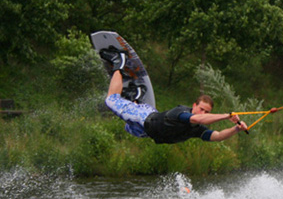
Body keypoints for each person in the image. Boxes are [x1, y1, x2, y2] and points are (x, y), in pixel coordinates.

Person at [100, 48, 248, 144]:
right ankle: (119, 62)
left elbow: (218, 136)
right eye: (202, 109)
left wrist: (236, 129)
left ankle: (136, 96)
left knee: (129, 128)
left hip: (147, 131)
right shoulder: (182, 113)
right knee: (111, 99)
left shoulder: (196, 129)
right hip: (144, 118)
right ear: (194, 106)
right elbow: (196, 118)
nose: (203, 113)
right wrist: (226, 116)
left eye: (207, 112)